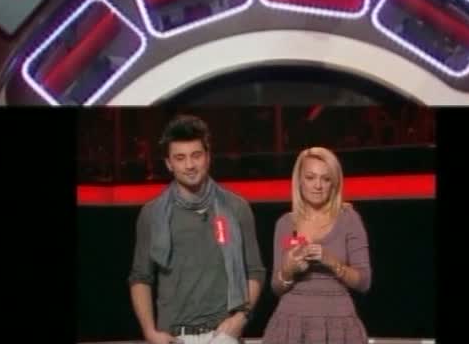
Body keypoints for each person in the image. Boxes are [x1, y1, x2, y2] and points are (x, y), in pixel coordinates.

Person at [128, 114, 265, 344]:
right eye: (180, 158)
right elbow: (141, 277)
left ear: (208, 157)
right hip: (174, 336)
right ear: (169, 164)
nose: (190, 165)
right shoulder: (152, 214)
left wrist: (240, 319)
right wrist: (150, 332)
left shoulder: (236, 207)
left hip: (224, 334)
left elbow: (255, 271)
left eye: (196, 155)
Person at [262, 146, 372, 344]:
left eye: (326, 179)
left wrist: (332, 262)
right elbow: (276, 287)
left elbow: (364, 282)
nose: (318, 186)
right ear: (299, 181)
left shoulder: (349, 219)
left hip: (338, 325)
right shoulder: (285, 223)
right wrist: (288, 270)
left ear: (334, 183)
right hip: (290, 324)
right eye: (310, 177)